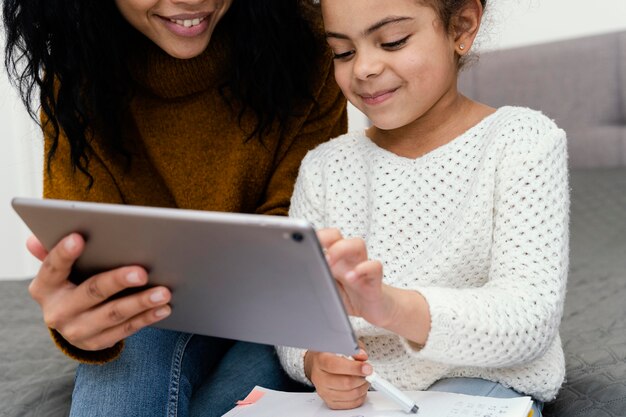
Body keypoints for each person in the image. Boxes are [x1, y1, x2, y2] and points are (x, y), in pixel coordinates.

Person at [3, 0, 346, 416]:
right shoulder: (77, 67)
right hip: (151, 311)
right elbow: (91, 266)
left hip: (274, 310)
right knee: (131, 359)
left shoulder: (311, 46)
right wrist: (83, 323)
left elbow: (295, 239)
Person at [276, 0, 569, 415]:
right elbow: (293, 312)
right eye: (342, 52)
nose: (363, 68)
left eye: (392, 42)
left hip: (479, 383)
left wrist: (391, 307)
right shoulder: (323, 167)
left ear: (462, 27)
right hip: (368, 396)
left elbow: (528, 318)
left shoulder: (522, 141)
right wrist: (314, 361)